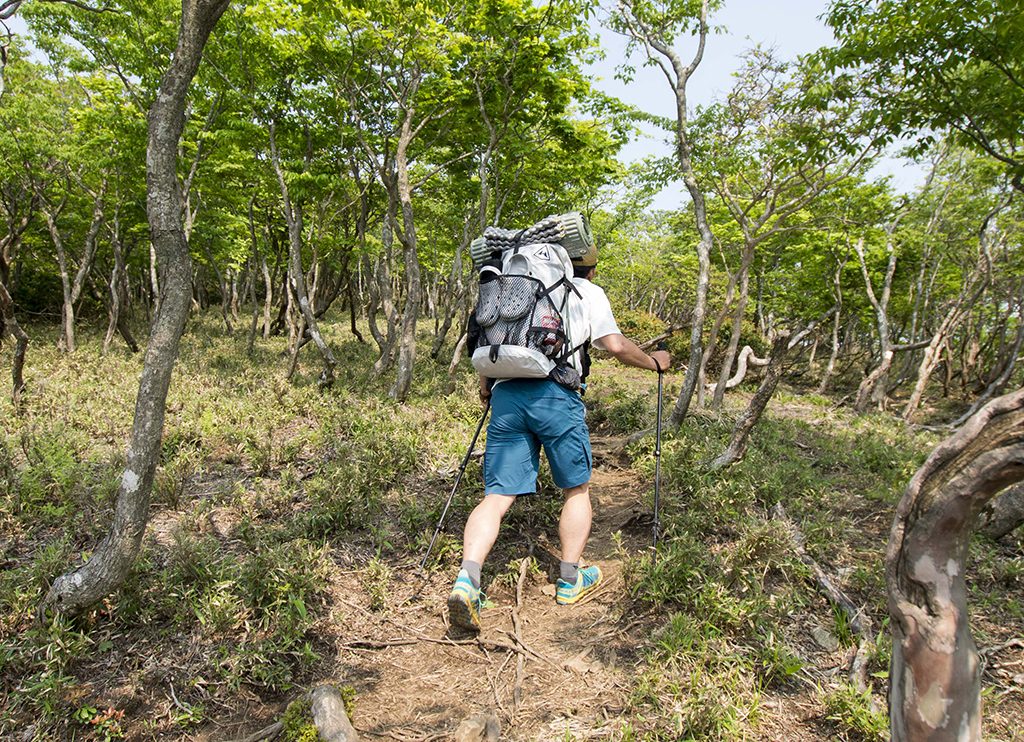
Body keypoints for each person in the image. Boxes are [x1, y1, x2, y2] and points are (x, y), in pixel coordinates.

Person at [448, 240, 671, 632]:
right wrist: (655, 362)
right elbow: (615, 346)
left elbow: (494, 342)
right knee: (576, 490)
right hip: (557, 397)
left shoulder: (516, 286)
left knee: (497, 497)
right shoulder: (585, 291)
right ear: (591, 268)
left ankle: (467, 579)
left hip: (506, 395)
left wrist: (486, 385)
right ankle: (570, 578)